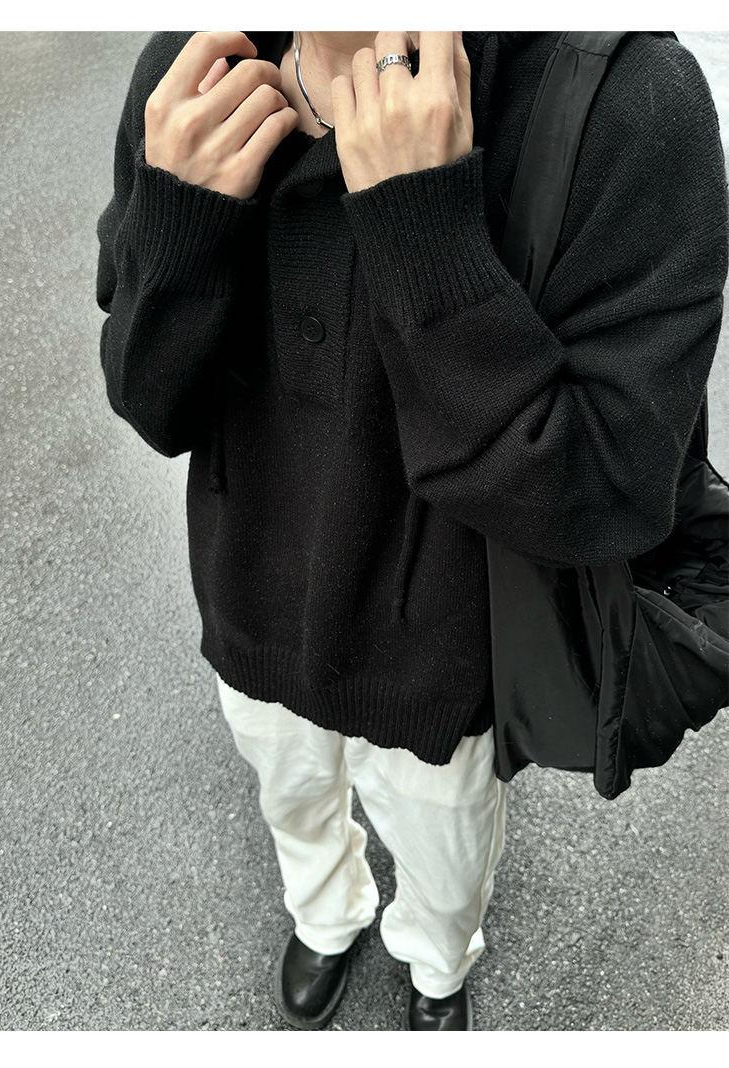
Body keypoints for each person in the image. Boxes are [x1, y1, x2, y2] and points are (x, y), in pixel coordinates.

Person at [95, 29, 728, 1031]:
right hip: (248, 604)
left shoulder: (624, 101)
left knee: (445, 851)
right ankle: (327, 912)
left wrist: (426, 235)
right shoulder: (194, 74)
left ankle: (437, 964)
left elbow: (606, 494)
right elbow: (148, 401)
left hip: (446, 659)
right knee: (291, 799)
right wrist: (180, 221)